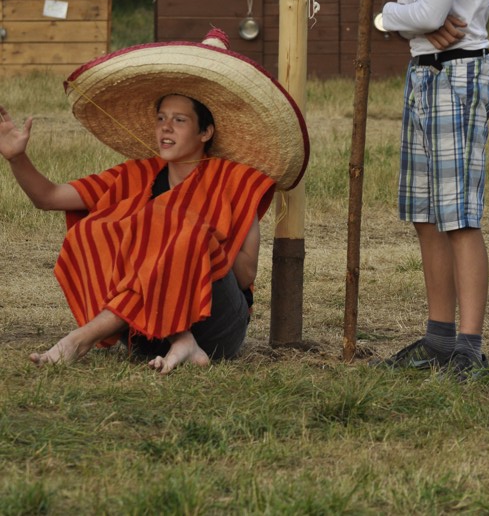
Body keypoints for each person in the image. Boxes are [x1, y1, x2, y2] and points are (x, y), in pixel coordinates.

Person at [0, 29, 309, 374]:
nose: (166, 128)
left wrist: (194, 239)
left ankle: (80, 340)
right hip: (144, 330)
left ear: (205, 132)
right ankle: (181, 340)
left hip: (216, 325)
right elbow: (48, 197)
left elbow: (244, 274)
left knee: (173, 225)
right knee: (96, 229)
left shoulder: (235, 181)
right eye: (161, 118)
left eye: (179, 120)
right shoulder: (135, 175)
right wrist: (16, 157)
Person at [373, 0, 489, 381]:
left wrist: (399, 17)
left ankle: (470, 347)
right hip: (423, 71)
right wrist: (406, 20)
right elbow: (415, 13)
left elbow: (420, 12)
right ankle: (438, 337)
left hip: (460, 71)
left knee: (458, 215)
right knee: (425, 213)